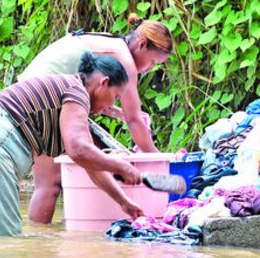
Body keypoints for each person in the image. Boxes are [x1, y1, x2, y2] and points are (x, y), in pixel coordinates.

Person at [0, 53, 146, 237]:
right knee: (5, 241)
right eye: (115, 97)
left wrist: (124, 202)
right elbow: (78, 150)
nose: (111, 106)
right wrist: (120, 166)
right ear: (103, 83)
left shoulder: (69, 88)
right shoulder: (78, 92)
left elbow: (89, 163)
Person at [19, 13, 173, 224]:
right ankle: (38, 244)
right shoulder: (125, 61)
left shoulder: (114, 45)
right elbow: (134, 120)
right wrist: (158, 162)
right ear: (142, 44)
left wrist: (117, 112)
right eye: (153, 62)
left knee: (95, 161)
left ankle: (70, 231)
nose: (150, 69)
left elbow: (92, 93)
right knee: (50, 184)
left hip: (40, 93)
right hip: (40, 100)